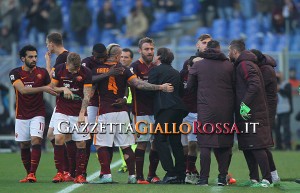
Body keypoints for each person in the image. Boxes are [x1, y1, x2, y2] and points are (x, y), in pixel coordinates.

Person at [92, 43, 174, 184]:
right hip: (122, 113)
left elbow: (90, 84)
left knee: (101, 144)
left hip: (105, 111)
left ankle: (106, 175)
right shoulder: (124, 69)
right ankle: (132, 176)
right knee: (126, 145)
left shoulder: (97, 69)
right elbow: (138, 84)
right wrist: (160, 87)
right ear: (118, 56)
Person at [187, 40, 235, 186]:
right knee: (225, 144)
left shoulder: (198, 65)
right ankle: (222, 178)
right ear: (219, 49)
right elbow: (236, 86)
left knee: (205, 145)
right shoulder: (229, 65)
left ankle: (203, 179)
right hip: (226, 109)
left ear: (207, 49)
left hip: (205, 109)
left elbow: (189, 87)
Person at [9, 45, 57, 183]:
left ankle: (32, 173)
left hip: (38, 113)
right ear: (23, 58)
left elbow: (51, 85)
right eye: (30, 57)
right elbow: (23, 90)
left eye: (35, 56)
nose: (34, 59)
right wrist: (44, 88)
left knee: (36, 140)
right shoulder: (15, 73)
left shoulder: (41, 72)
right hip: (21, 114)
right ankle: (28, 173)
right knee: (24, 145)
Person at [228, 39, 273, 187]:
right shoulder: (242, 64)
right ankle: (254, 178)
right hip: (246, 112)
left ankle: (267, 179)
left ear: (234, 52)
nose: (228, 54)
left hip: (252, 112)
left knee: (257, 145)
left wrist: (244, 104)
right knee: (248, 146)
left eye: (229, 51)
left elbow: (255, 84)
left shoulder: (245, 64)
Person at [148, 47, 188, 184]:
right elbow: (182, 92)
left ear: (159, 57)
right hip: (178, 109)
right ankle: (181, 173)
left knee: (159, 139)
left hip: (165, 109)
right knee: (176, 141)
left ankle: (170, 172)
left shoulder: (155, 70)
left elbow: (150, 89)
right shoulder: (176, 72)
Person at [51, 52, 92, 184]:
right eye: (73, 68)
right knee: (58, 137)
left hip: (78, 111)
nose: (76, 71)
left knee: (81, 143)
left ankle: (79, 175)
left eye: (77, 68)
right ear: (67, 64)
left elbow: (87, 95)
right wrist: (63, 89)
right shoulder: (59, 69)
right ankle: (60, 173)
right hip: (62, 110)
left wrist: (82, 113)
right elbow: (51, 88)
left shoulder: (86, 72)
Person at [180, 34, 211, 184]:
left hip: (202, 111)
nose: (206, 45)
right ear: (197, 45)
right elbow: (181, 82)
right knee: (185, 145)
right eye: (203, 42)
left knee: (195, 144)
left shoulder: (213, 63)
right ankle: (190, 171)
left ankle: (191, 172)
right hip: (186, 110)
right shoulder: (188, 63)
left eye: (208, 43)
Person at [130, 37, 161, 184]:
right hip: (140, 110)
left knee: (156, 143)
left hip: (157, 111)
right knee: (142, 142)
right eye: (147, 49)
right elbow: (138, 85)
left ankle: (152, 174)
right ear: (140, 51)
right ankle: (139, 176)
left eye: (152, 49)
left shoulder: (157, 67)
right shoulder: (134, 67)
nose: (150, 52)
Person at [45, 32, 74, 181]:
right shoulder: (63, 56)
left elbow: (50, 79)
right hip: (61, 102)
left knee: (63, 137)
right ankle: (66, 169)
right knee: (52, 135)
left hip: (65, 103)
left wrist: (47, 61)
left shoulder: (62, 57)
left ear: (51, 43)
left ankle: (67, 170)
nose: (47, 47)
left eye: (47, 44)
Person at [250, 49, 280, 183]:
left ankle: (272, 175)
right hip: (265, 109)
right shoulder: (265, 68)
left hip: (266, 111)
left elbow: (258, 87)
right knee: (262, 144)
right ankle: (272, 175)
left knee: (261, 144)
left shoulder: (266, 70)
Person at [81, 43, 108, 177]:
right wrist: (107, 74)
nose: (101, 60)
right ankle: (82, 170)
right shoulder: (86, 62)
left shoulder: (109, 61)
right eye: (98, 58)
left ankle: (105, 172)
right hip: (92, 105)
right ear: (93, 54)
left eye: (103, 57)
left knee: (105, 139)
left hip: (107, 105)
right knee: (88, 138)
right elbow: (88, 79)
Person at [118, 48, 137, 173]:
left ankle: (131, 163)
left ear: (131, 59)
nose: (123, 59)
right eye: (122, 57)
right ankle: (125, 163)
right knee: (122, 135)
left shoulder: (133, 72)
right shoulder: (116, 71)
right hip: (122, 107)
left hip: (134, 106)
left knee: (134, 136)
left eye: (126, 57)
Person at [276, 72, 293, 150]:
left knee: (286, 128)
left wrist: (280, 89)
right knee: (277, 128)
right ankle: (278, 146)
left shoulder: (287, 84)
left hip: (285, 109)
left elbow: (288, 94)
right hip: (277, 109)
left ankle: (287, 145)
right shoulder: (274, 84)